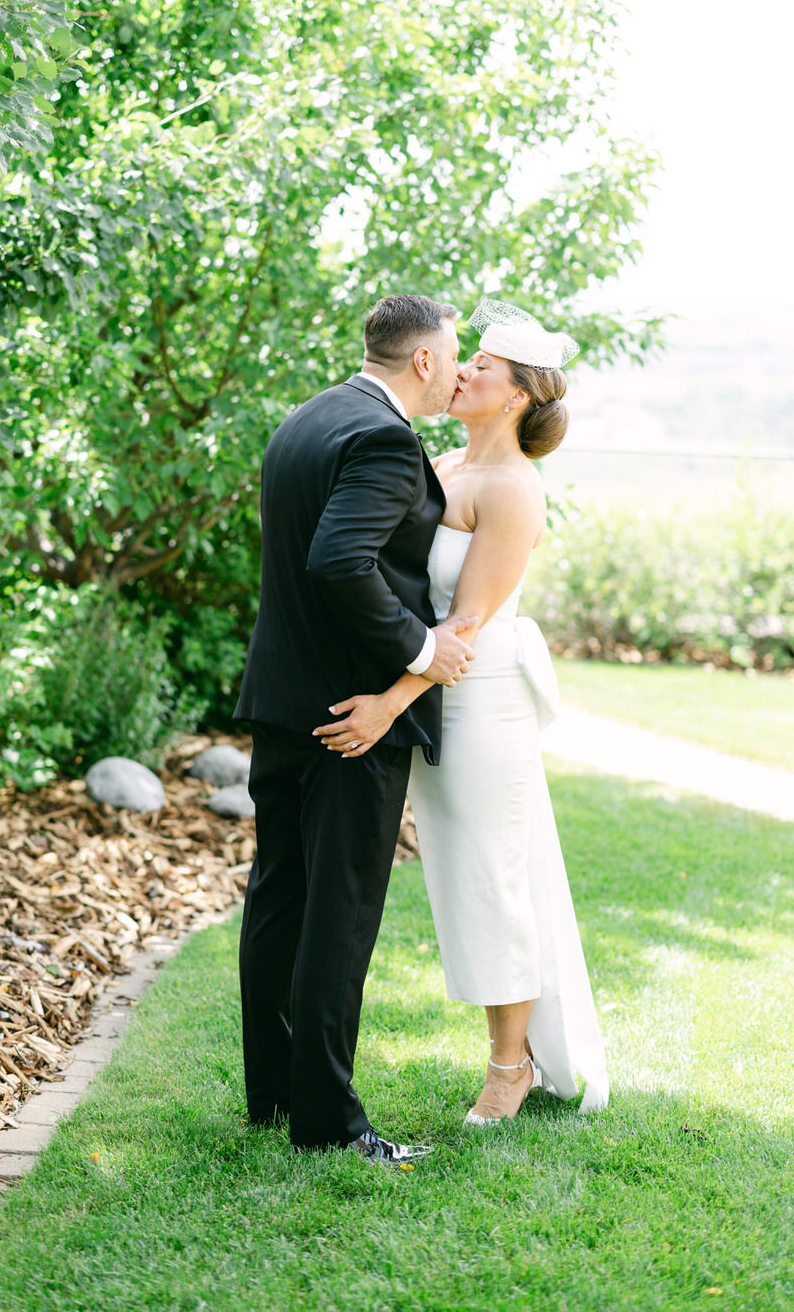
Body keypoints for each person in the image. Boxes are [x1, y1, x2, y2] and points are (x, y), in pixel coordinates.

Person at [314, 299, 609, 1123]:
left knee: (490, 876)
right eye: (467, 359)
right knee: (457, 875)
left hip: (478, 703)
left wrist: (386, 706)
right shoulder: (441, 463)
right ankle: (514, 1050)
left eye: (481, 365)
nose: (462, 369)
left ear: (515, 395)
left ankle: (508, 1069)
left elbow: (465, 626)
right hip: (434, 691)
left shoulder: (515, 488)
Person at [235, 293, 477, 1162]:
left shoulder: (306, 418)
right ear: (423, 360)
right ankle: (331, 1127)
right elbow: (337, 560)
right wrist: (421, 647)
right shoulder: (383, 439)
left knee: (280, 898)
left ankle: (273, 1095)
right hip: (351, 717)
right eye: (454, 355)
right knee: (338, 911)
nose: (456, 369)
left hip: (283, 699)